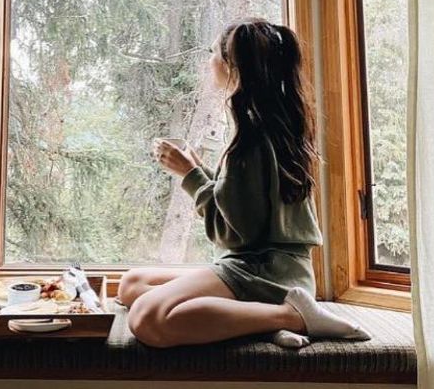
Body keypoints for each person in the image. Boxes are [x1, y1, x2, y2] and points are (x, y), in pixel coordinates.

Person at [118, 19, 370, 349]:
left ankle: (293, 316)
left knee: (147, 319)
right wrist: (198, 168)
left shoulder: (249, 141)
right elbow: (243, 205)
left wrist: (190, 175)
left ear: (231, 66)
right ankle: (259, 322)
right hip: (279, 269)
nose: (209, 61)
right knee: (132, 285)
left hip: (264, 272)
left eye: (213, 53)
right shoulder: (275, 127)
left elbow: (234, 234)